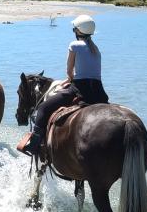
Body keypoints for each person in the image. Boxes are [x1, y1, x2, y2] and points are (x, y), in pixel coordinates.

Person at [23, 14, 110, 156]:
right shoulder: (96, 49)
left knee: (43, 108)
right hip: (99, 92)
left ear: (78, 31)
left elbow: (69, 71)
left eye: (74, 29)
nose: (74, 31)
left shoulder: (74, 45)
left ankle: (34, 144)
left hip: (80, 89)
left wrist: (69, 79)